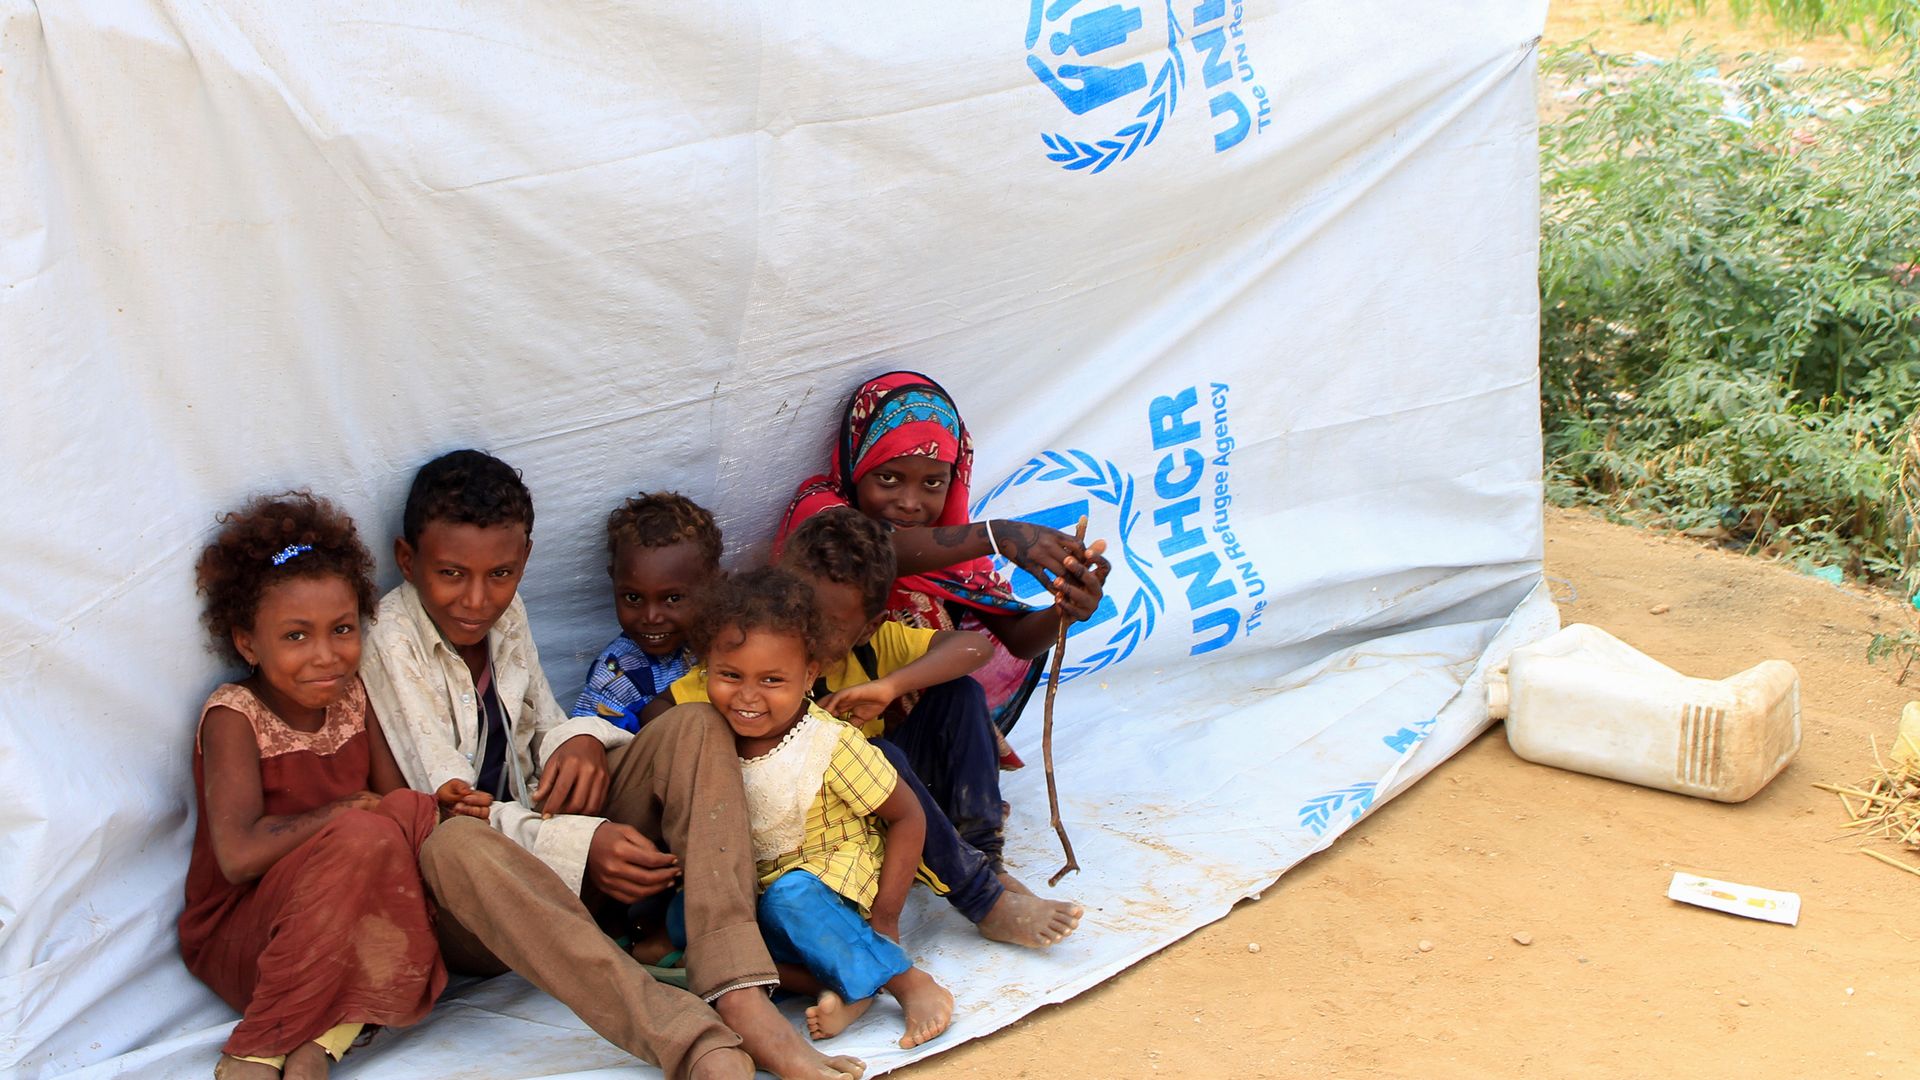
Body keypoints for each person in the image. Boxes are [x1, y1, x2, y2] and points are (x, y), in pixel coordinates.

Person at [360, 450, 861, 1080]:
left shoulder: (503, 614)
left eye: (502, 573)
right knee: (452, 843)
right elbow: (446, 803)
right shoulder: (390, 638)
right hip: (480, 903)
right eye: (452, 573)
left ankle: (736, 988)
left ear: (525, 559)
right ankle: (690, 1042)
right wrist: (585, 841)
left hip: (553, 853)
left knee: (697, 724)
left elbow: (543, 725)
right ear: (408, 561)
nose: (478, 598)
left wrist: (583, 738)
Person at [653, 508, 1082, 949]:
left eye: (829, 625)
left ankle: (983, 861)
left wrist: (889, 686)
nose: (808, 630)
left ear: (867, 628)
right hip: (819, 833)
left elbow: (973, 648)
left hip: (890, 809)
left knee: (959, 696)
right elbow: (660, 714)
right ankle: (983, 902)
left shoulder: (875, 648)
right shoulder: (748, 665)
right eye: (799, 610)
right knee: (880, 756)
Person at [180, 492, 446, 1080]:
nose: (326, 656)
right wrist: (341, 814)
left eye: (342, 629)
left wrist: (433, 809)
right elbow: (238, 857)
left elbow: (393, 805)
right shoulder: (234, 715)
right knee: (363, 834)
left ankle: (320, 1044)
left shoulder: (354, 697)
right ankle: (257, 1049)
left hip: (342, 920)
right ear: (248, 642)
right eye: (296, 636)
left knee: (400, 838)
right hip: (248, 937)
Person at [775, 370, 1111, 759]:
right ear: (856, 463)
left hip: (912, 743)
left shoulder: (953, 552)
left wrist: (1067, 608)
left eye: (933, 483)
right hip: (822, 733)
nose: (910, 502)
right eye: (887, 478)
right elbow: (870, 555)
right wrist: (995, 534)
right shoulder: (818, 512)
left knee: (960, 693)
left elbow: (1021, 641)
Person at [683, 567, 954, 1049]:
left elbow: (907, 817)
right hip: (762, 898)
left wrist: (886, 922)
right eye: (729, 675)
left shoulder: (827, 744)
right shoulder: (710, 739)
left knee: (793, 899)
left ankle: (906, 981)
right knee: (697, 930)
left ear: (809, 674)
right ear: (707, 666)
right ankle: (844, 984)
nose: (747, 696)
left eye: (771, 679)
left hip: (832, 890)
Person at [571, 492, 719, 731]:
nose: (651, 617)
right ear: (614, 581)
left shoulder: (730, 641)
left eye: (672, 598)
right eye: (633, 598)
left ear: (713, 583)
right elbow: (591, 741)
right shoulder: (617, 675)